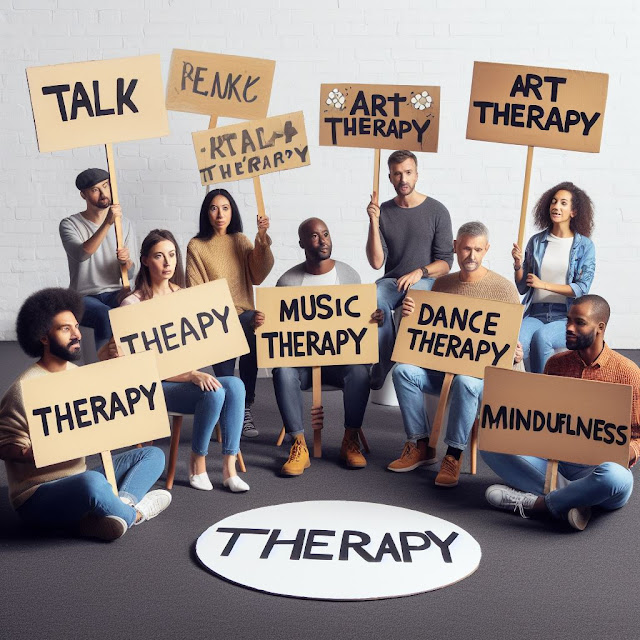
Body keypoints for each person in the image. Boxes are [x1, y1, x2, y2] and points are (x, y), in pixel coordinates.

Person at [0, 288, 171, 542]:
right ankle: (135, 514)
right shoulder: (23, 389)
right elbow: (4, 447)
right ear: (44, 337)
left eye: (76, 326)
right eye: (65, 329)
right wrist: (40, 450)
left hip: (76, 477)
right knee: (91, 483)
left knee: (152, 455)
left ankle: (111, 512)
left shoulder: (77, 375)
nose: (77, 334)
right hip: (37, 496)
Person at [482, 295, 638, 531]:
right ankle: (576, 500)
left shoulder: (628, 374)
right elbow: (541, 416)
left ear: (600, 327)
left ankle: (540, 505)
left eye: (579, 323)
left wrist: (629, 451)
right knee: (489, 445)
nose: (569, 328)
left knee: (616, 477)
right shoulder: (555, 364)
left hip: (599, 468)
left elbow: (638, 435)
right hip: (557, 461)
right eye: (568, 321)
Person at [390, 221, 524, 487]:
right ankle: (420, 445)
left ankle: (453, 454)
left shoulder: (504, 289)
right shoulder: (442, 284)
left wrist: (516, 356)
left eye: (477, 250)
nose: (471, 256)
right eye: (465, 249)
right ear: (455, 247)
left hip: (482, 381)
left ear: (486, 250)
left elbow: (510, 345)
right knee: (403, 371)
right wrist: (409, 317)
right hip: (443, 373)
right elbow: (429, 336)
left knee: (466, 380)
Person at [116, 229, 249, 493]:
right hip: (154, 388)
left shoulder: (184, 296)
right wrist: (189, 375)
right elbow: (137, 371)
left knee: (234, 385)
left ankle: (228, 468)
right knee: (214, 394)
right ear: (145, 261)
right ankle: (197, 463)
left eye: (172, 255)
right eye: (158, 256)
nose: (167, 263)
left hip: (186, 380)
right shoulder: (131, 305)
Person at [254, 218, 383, 476]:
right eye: (314, 236)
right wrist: (263, 321)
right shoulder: (288, 281)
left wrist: (373, 318)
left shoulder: (349, 276)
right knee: (283, 370)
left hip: (338, 363)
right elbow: (279, 330)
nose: (322, 240)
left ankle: (350, 439)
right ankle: (298, 444)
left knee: (359, 371)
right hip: (302, 365)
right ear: (302, 243)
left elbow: (357, 322)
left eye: (325, 234)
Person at [186, 189, 273, 438]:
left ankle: (244, 407)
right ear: (206, 213)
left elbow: (259, 274)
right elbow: (195, 289)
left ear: (232, 211)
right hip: (215, 318)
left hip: (245, 315)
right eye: (214, 208)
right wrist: (220, 316)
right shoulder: (197, 246)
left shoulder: (240, 240)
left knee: (252, 326)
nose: (220, 214)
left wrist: (262, 240)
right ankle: (227, 406)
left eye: (225, 208)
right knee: (230, 338)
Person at [366, 150, 453, 390]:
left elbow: (446, 262)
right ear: (390, 177)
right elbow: (376, 262)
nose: (403, 179)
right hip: (393, 281)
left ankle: (411, 367)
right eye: (397, 174)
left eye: (407, 173)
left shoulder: (437, 211)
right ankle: (383, 363)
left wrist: (420, 272)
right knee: (373, 297)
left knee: (415, 300)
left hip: (426, 281)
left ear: (416, 175)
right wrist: (374, 222)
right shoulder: (383, 211)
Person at [513, 181, 596, 373]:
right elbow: (523, 287)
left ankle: (543, 394)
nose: (556, 206)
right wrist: (518, 265)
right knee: (515, 344)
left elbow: (582, 288)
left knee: (543, 338)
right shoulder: (536, 242)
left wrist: (544, 284)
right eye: (554, 201)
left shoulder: (584, 246)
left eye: (563, 203)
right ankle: (519, 393)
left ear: (574, 211)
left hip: (566, 316)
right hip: (536, 313)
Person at [59, 168, 138, 349]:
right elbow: (82, 254)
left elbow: (131, 273)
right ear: (83, 195)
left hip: (116, 291)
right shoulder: (70, 224)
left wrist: (126, 262)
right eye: (95, 190)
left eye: (106, 186)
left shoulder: (124, 224)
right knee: (104, 315)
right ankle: (107, 366)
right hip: (83, 296)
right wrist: (107, 223)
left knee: (136, 308)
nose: (103, 194)